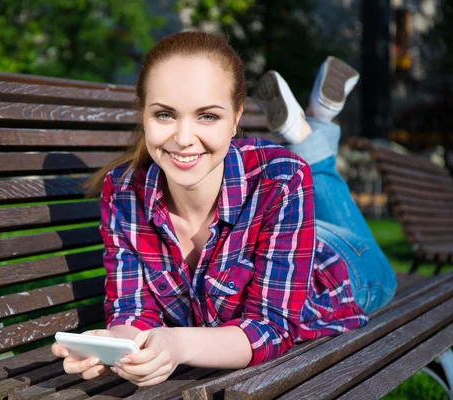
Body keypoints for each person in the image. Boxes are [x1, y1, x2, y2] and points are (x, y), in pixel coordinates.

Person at [51, 31, 397, 387]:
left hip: (342, 268)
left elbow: (271, 327)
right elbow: (133, 309)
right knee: (311, 172)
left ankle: (311, 134)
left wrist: (179, 343)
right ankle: (313, 125)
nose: (183, 138)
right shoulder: (122, 193)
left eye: (207, 116)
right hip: (278, 226)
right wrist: (116, 344)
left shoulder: (282, 176)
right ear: (144, 115)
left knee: (381, 267)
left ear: (236, 119)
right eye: (165, 114)